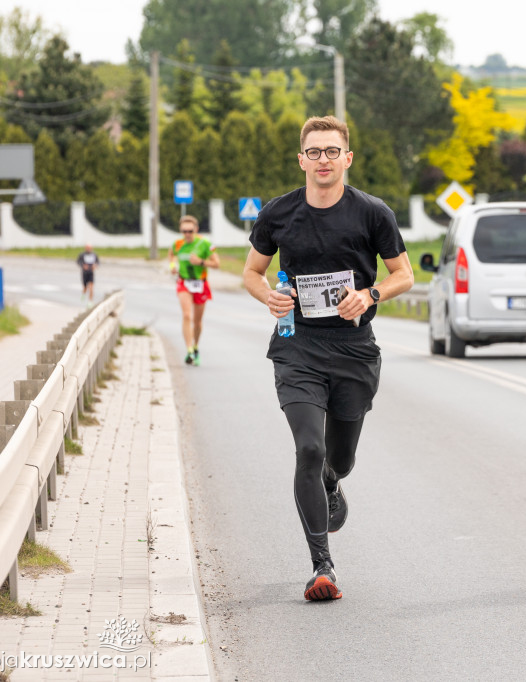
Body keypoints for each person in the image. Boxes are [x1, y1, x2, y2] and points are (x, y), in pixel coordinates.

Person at [242, 115, 414, 601]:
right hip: (297, 348)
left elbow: (404, 274)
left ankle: (333, 483)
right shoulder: (279, 213)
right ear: (301, 159)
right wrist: (267, 298)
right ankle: (322, 565)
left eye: (331, 151)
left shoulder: (372, 213)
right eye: (314, 152)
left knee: (338, 458)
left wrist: (371, 293)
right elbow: (252, 273)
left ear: (347, 158)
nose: (323, 160)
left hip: (354, 351)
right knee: (308, 450)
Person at [168, 215, 220, 366]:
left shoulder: (205, 244)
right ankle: (189, 349)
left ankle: (196, 346)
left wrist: (201, 262)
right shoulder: (177, 244)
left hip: (200, 284)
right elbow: (171, 255)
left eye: (190, 231)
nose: (187, 234)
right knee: (186, 315)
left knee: (197, 322)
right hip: (184, 282)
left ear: (196, 229)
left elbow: (217, 263)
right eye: (184, 231)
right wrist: (172, 266)